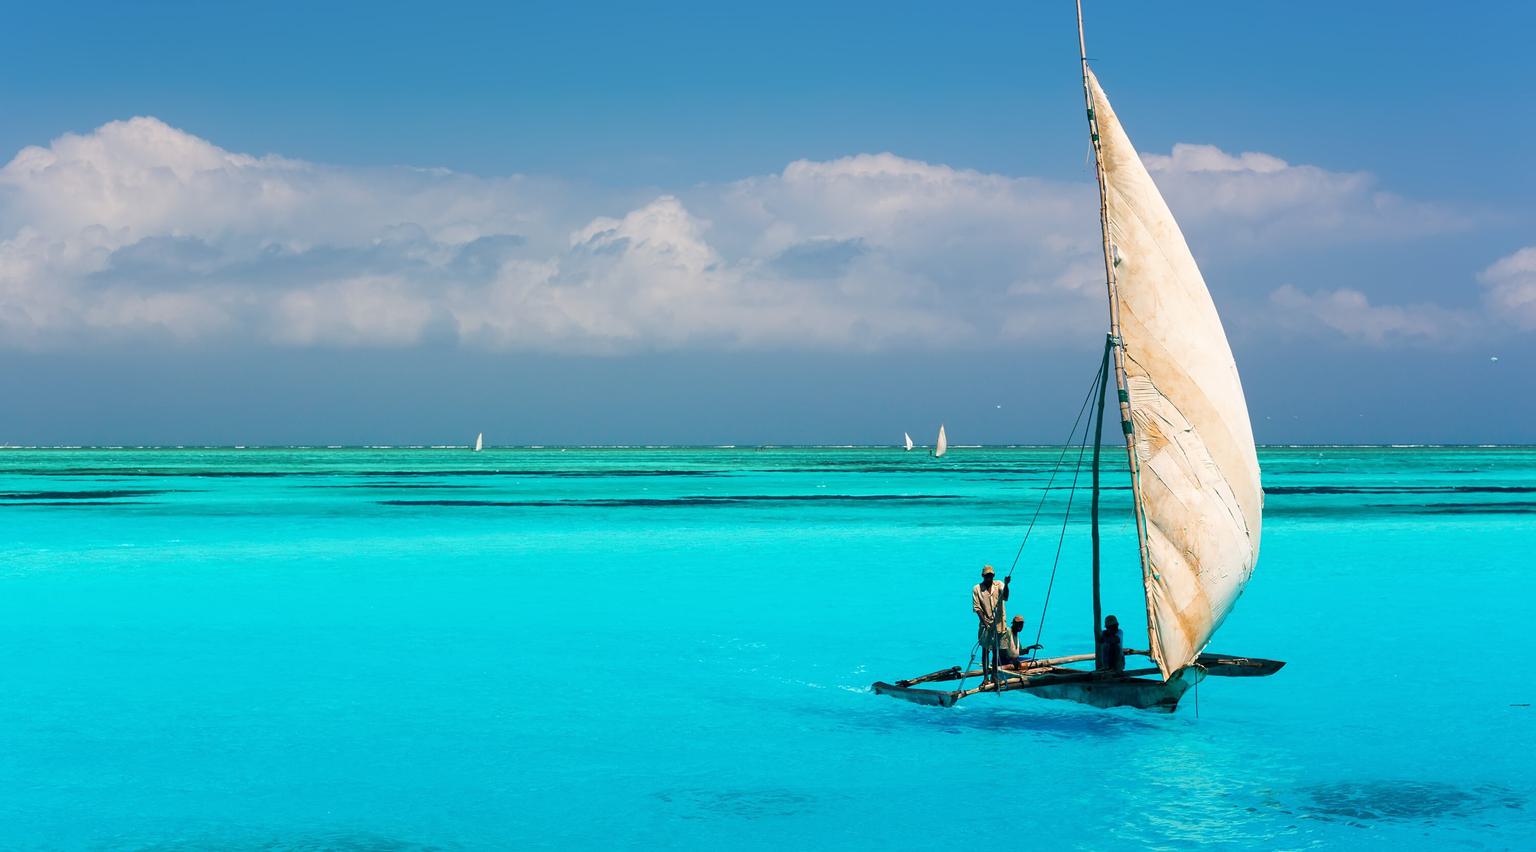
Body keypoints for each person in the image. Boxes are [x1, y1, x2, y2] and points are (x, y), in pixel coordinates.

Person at [971, 565, 1009, 681]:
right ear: (983, 576)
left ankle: (994, 675)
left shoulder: (999, 585)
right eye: (987, 576)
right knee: (985, 651)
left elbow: (1006, 596)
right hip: (985, 624)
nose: (989, 578)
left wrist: (1007, 584)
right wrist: (985, 623)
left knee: (996, 650)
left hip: (999, 623)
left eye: (991, 576)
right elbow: (977, 608)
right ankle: (986, 677)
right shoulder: (977, 589)